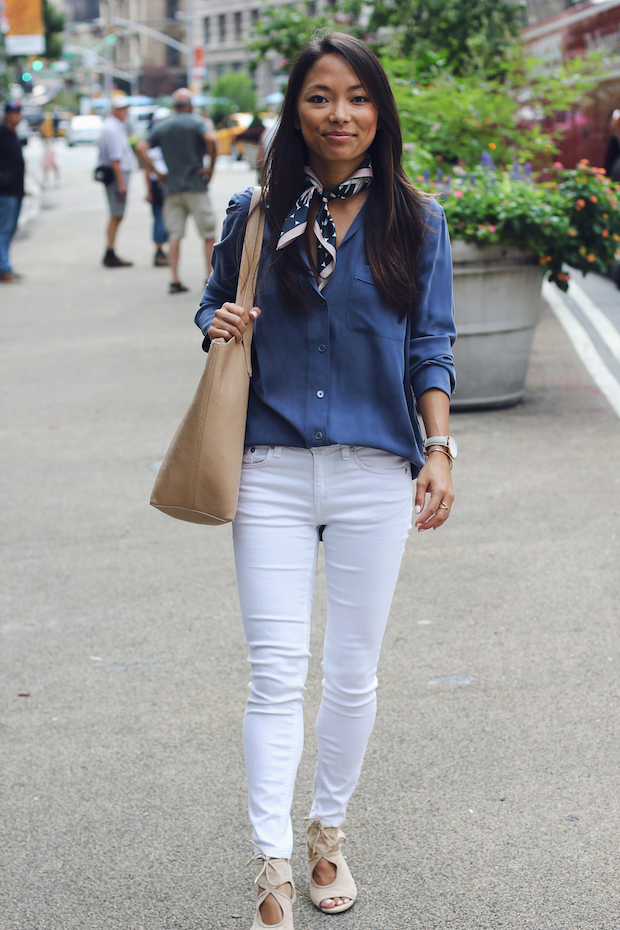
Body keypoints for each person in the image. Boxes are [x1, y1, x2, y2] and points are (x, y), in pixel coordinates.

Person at [195, 33, 456, 930]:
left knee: (351, 673)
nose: (338, 114)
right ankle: (270, 864)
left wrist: (442, 448)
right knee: (275, 674)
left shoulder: (415, 221)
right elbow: (210, 301)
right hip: (266, 465)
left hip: (374, 471)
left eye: (355, 98)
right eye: (318, 97)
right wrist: (221, 318)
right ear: (294, 110)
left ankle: (327, 833)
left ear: (378, 112)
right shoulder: (256, 209)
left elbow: (431, 343)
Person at [135, 89, 217, 293]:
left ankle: (174, 279)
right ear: (190, 105)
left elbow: (141, 148)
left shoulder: (163, 126)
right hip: (196, 186)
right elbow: (213, 140)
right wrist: (210, 167)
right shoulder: (197, 123)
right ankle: (209, 278)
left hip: (172, 187)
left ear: (174, 106)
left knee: (174, 235)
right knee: (208, 234)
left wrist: (156, 173)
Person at [98, 96, 134, 267]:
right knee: (116, 214)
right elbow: (115, 159)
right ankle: (110, 251)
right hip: (117, 175)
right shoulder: (111, 128)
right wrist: (121, 183)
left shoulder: (115, 127)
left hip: (118, 173)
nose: (125, 112)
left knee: (117, 214)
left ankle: (110, 250)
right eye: (122, 109)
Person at [142, 107, 171, 267]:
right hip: (161, 182)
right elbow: (147, 169)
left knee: (160, 216)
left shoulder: (155, 139)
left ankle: (161, 249)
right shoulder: (155, 141)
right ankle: (160, 250)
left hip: (159, 182)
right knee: (162, 216)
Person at [0, 101, 25, 283]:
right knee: (4, 230)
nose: (18, 116)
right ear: (7, 115)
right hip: (5, 191)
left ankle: (6, 266)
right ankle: (3, 268)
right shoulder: (2, 134)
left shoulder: (13, 134)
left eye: (19, 113)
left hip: (16, 190)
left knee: (10, 230)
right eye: (14, 113)